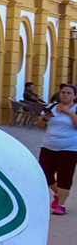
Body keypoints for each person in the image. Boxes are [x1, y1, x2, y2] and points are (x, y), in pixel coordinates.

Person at [37, 83, 77, 215]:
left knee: (64, 176)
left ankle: (61, 205)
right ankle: (58, 194)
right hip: (48, 146)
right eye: (63, 92)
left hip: (69, 148)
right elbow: (40, 126)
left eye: (68, 93)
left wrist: (70, 112)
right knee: (44, 174)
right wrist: (44, 119)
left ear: (74, 96)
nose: (65, 95)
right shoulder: (51, 107)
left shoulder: (75, 109)